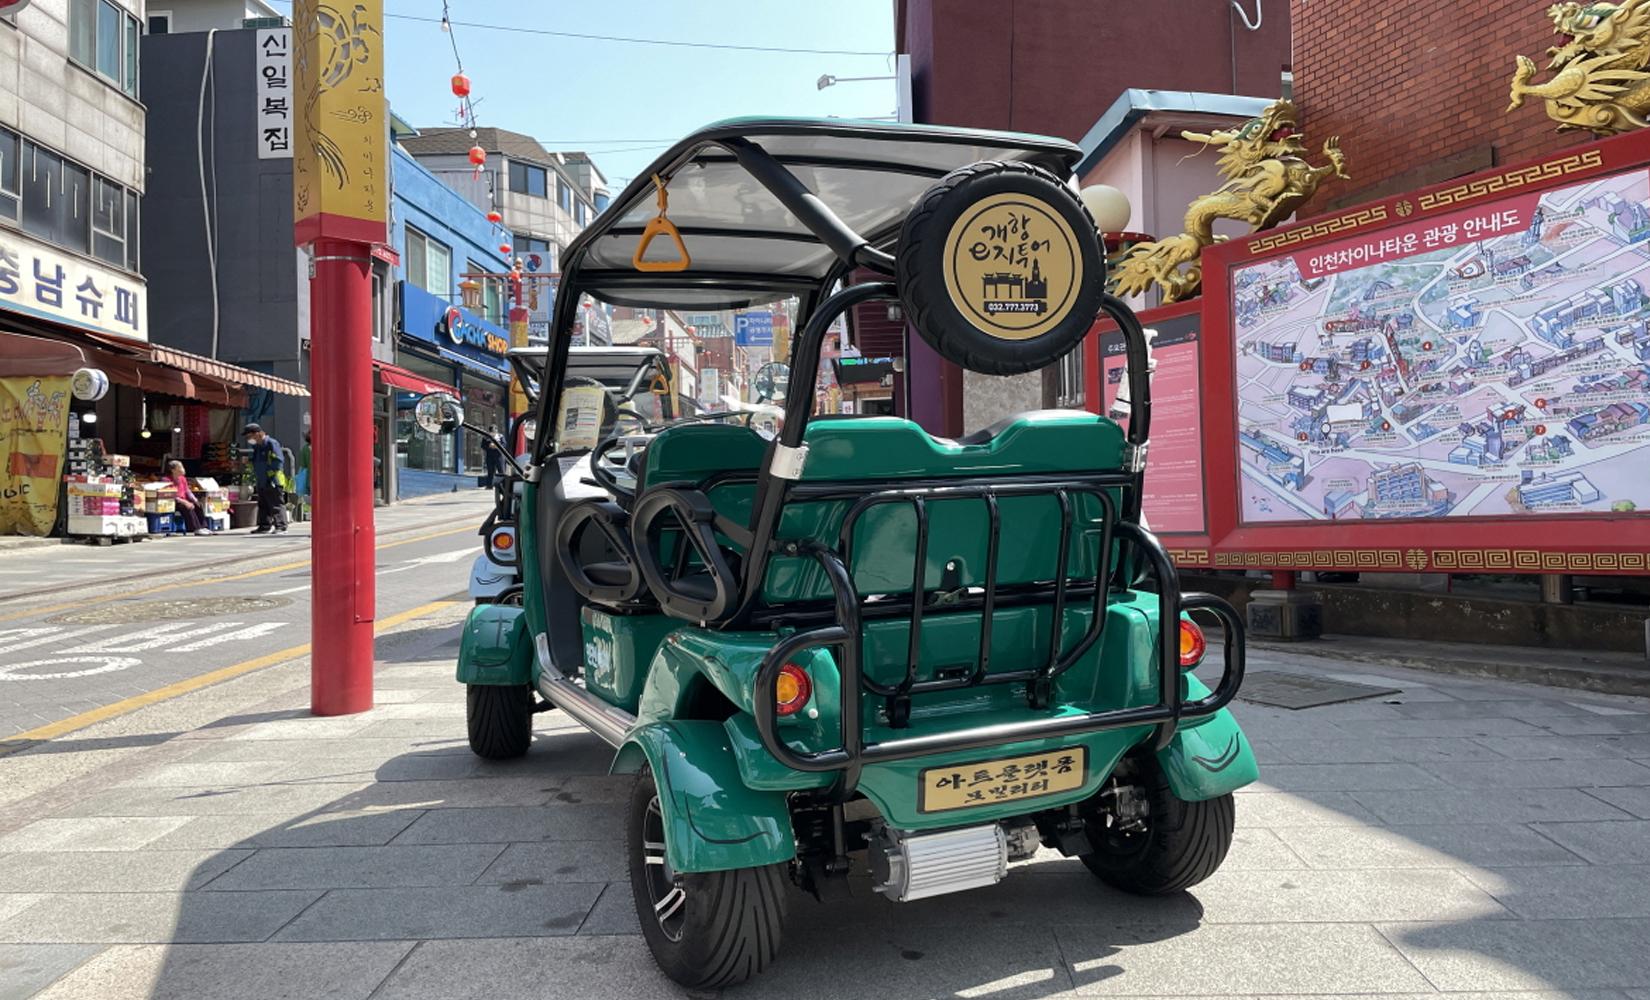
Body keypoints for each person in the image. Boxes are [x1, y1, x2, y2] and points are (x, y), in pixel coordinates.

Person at [244, 423, 288, 534]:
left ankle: (281, 526)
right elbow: (256, 461)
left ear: (258, 434)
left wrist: (270, 474)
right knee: (263, 503)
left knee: (276, 503)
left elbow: (278, 461)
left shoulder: (271, 443)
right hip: (262, 479)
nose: (249, 439)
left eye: (250, 436)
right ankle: (264, 526)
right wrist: (249, 461)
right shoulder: (257, 446)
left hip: (273, 478)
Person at [167, 460, 212, 535]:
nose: (183, 469)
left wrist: (194, 499)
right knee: (187, 507)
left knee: (198, 505)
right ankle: (195, 528)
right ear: (173, 470)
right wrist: (185, 502)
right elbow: (171, 495)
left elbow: (187, 490)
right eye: (180, 467)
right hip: (173, 501)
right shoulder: (167, 480)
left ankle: (203, 527)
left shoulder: (182, 478)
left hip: (183, 500)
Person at [482, 423, 505, 488]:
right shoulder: (486, 437)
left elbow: (504, 445)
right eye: (491, 432)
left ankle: (503, 485)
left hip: (499, 456)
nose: (493, 433)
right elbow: (483, 446)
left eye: (494, 432)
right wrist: (489, 446)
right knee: (490, 471)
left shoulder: (500, 436)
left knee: (501, 471)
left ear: (496, 431)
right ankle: (489, 485)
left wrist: (497, 446)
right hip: (490, 456)